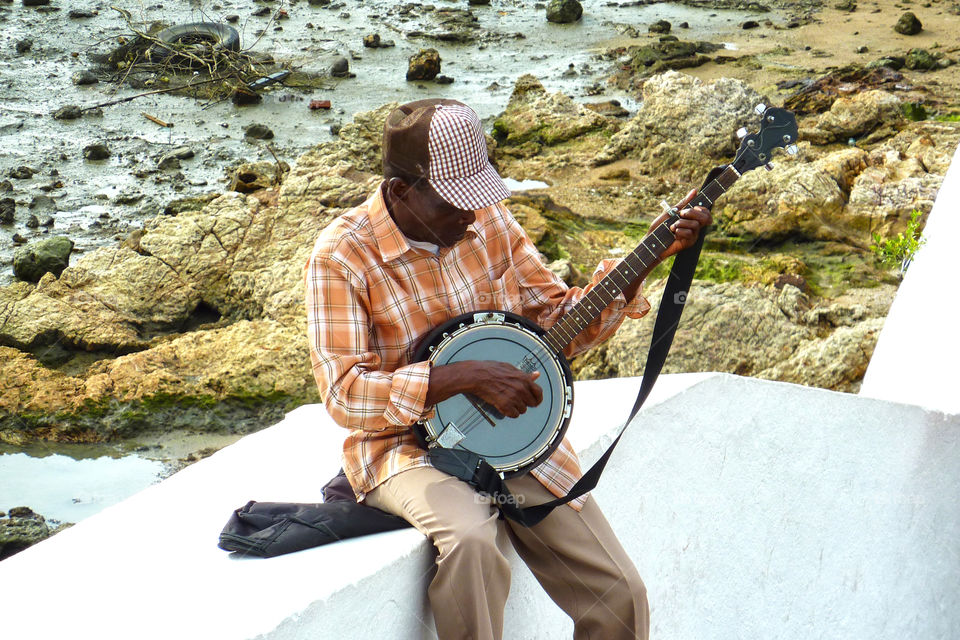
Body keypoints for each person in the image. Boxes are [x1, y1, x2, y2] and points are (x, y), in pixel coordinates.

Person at [305, 98, 711, 640]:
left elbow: (557, 326)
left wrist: (646, 262)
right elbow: (344, 396)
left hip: (513, 443)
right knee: (473, 540)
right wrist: (461, 377)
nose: (472, 215)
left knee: (618, 595)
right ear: (402, 192)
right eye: (456, 202)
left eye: (477, 198)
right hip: (403, 449)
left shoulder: (488, 219)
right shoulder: (341, 256)